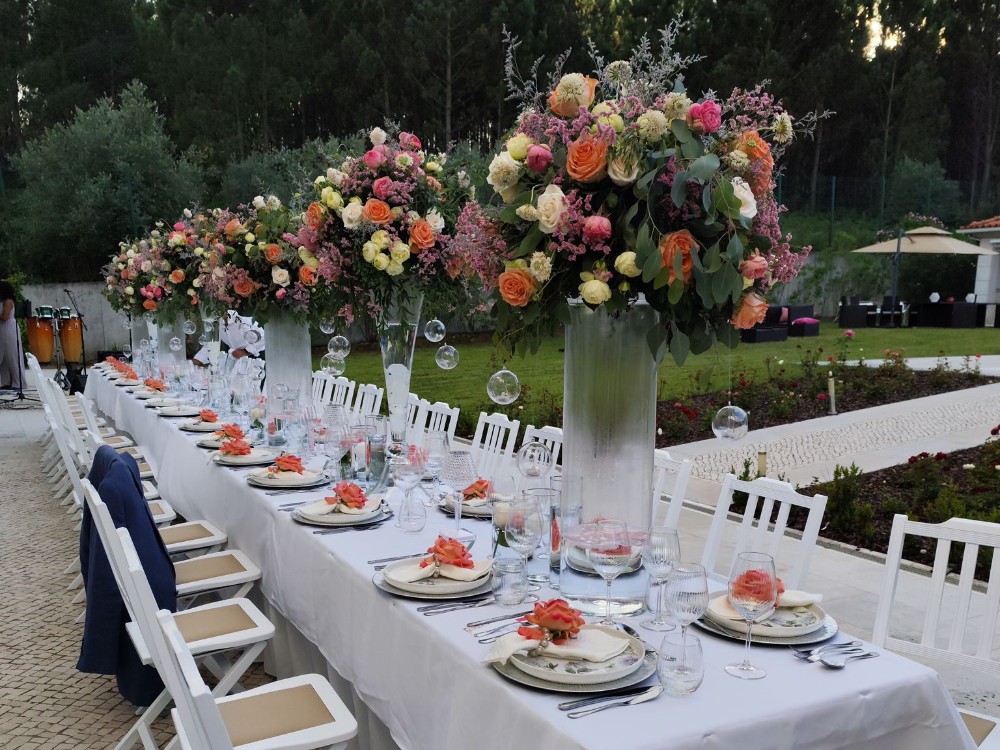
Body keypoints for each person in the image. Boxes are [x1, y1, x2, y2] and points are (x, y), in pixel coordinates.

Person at [192, 310, 265, 374]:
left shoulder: (242, 319)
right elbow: (211, 342)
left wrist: (246, 351)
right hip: (237, 358)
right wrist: (198, 359)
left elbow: (264, 337)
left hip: (257, 356)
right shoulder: (216, 323)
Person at [0, 276, 26, 390]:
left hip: (8, 327)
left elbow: (5, 316)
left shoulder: (8, 301)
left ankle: (18, 382)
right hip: (2, 328)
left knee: (13, 355)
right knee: (4, 357)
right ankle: (6, 381)